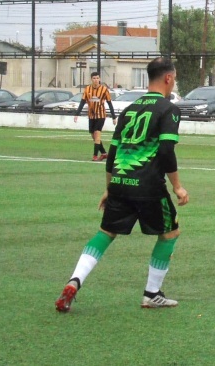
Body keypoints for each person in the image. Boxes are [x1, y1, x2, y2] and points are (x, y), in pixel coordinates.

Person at [55, 57, 190, 312]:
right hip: (148, 185)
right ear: (168, 78)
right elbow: (165, 151)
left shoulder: (129, 109)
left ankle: (75, 279)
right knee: (170, 233)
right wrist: (177, 187)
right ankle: (152, 293)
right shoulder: (168, 109)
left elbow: (113, 156)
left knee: (106, 232)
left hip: (119, 182)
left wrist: (109, 188)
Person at [74, 71, 117, 161]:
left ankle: (95, 156)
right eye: (94, 78)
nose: (96, 80)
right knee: (93, 136)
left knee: (97, 135)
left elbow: (109, 103)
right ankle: (104, 153)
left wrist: (114, 117)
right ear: (91, 79)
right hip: (91, 116)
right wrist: (77, 114)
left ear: (99, 79)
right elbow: (82, 102)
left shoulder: (104, 89)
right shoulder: (87, 89)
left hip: (101, 115)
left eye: (97, 78)